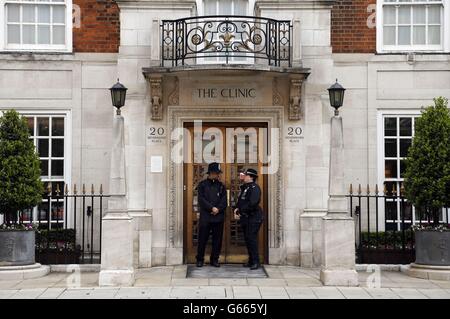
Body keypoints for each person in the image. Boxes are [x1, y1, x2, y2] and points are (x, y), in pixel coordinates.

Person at [196, 162, 227, 267]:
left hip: (218, 217)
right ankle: (200, 259)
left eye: (218, 173)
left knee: (217, 240)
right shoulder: (202, 185)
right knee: (202, 239)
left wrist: (218, 208)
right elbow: (201, 200)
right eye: (215, 173)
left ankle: (214, 259)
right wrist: (211, 208)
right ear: (210, 173)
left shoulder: (221, 186)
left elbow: (224, 201)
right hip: (206, 217)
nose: (217, 175)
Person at [234, 168, 263, 270]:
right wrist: (237, 208)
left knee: (252, 239)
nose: (243, 176)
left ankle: (256, 262)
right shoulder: (245, 187)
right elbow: (240, 200)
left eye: (245, 175)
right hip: (246, 218)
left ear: (251, 177)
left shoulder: (255, 188)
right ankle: (251, 260)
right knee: (248, 239)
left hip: (254, 217)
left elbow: (253, 203)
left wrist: (241, 210)